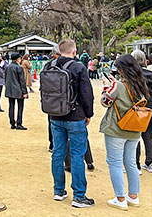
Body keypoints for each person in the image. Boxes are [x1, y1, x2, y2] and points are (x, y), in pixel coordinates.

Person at [48, 39, 94, 208]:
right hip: (75, 116)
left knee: (58, 153)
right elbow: (86, 93)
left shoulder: (49, 66)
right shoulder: (78, 67)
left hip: (55, 115)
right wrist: (88, 113)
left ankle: (58, 190)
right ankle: (79, 195)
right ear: (74, 52)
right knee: (76, 155)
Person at [100, 54, 149, 210]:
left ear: (121, 70)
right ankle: (133, 196)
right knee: (131, 163)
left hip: (116, 129)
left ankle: (120, 198)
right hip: (134, 128)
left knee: (115, 163)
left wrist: (105, 88)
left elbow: (105, 102)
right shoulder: (141, 85)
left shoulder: (118, 85)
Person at [131, 50, 152, 173]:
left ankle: (136, 164)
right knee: (148, 137)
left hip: (137, 109)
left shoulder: (132, 75)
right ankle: (150, 163)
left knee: (135, 137)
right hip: (150, 108)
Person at [5, 53, 28, 130]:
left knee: (11, 106)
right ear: (18, 59)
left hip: (10, 89)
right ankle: (19, 123)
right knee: (20, 107)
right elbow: (22, 81)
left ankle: (12, 123)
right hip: (18, 90)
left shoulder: (7, 67)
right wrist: (25, 92)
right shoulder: (19, 67)